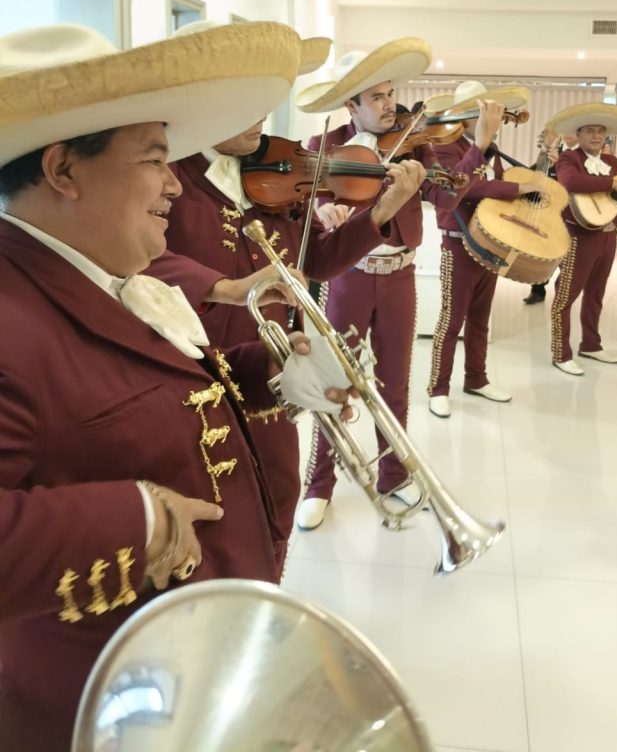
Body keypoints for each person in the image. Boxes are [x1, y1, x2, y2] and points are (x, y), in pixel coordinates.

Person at [0, 22, 356, 750]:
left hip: (189, 673)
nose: (174, 183)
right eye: (157, 159)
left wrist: (279, 377)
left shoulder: (111, 279)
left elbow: (160, 402)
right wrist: (139, 517)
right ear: (65, 169)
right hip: (99, 701)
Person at [148, 34, 426, 569]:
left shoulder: (279, 165)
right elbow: (133, 261)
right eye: (241, 108)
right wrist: (223, 287)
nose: (260, 120)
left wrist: (381, 209)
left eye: (263, 104)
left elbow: (316, 260)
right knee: (206, 510)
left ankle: (269, 587)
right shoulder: (166, 173)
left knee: (276, 492)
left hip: (272, 364)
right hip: (189, 371)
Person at [293, 39, 497, 530]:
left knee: (395, 383)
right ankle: (319, 484)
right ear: (352, 106)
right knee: (332, 382)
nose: (390, 106)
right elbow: (301, 208)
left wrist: (480, 145)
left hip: (399, 276)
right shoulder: (323, 147)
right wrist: (320, 212)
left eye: (390, 94)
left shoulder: (414, 145)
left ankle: (391, 476)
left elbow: (447, 197)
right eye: (377, 98)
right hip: (348, 278)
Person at [423, 80, 544, 419]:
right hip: (458, 243)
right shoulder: (443, 147)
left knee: (480, 319)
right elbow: (470, 187)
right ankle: (438, 387)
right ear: (466, 117)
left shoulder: (489, 148)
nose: (494, 119)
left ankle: (476, 378)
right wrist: (520, 186)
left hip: (488, 243)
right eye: (485, 113)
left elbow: (493, 191)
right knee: (451, 320)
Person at [545, 102, 617, 376]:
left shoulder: (612, 162)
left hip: (609, 234)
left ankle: (591, 344)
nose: (597, 136)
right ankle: (560, 353)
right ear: (579, 134)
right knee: (566, 294)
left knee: (597, 293)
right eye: (590, 131)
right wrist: (612, 183)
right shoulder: (568, 158)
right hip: (579, 236)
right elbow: (571, 183)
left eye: (600, 132)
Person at [523, 134, 577, 304]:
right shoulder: (552, 154)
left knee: (567, 260)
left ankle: (562, 291)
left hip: (569, 218)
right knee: (539, 255)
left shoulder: (578, 159)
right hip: (544, 216)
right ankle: (538, 290)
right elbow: (532, 178)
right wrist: (541, 162)